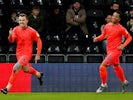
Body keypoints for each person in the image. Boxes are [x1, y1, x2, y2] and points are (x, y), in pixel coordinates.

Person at [1, 11, 43, 94]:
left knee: (15, 67)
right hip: (19, 54)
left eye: (23, 20)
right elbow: (11, 40)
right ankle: (39, 75)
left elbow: (39, 41)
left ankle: (7, 88)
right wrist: (10, 35)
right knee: (26, 70)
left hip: (27, 54)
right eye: (20, 20)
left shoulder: (32, 31)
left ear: (27, 21)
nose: (21, 22)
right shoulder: (16, 29)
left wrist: (38, 54)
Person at [93, 11, 132, 93]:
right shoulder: (107, 26)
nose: (114, 18)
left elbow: (129, 38)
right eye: (113, 16)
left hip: (116, 51)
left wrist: (123, 45)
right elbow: (103, 35)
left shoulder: (121, 28)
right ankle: (124, 82)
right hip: (109, 50)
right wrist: (97, 38)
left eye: (116, 16)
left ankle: (103, 84)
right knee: (116, 66)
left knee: (102, 67)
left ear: (119, 19)